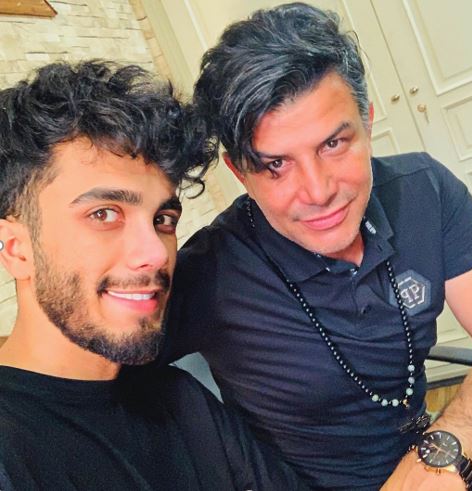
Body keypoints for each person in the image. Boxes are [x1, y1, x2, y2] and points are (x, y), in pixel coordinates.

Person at [161, 3, 472, 490]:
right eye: (276, 165)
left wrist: (443, 453)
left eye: (334, 144)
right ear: (239, 172)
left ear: (367, 122)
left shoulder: (425, 192)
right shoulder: (210, 271)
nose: (318, 192)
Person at [0, 60, 309, 490]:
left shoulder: (182, 401)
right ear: (16, 249)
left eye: (163, 219)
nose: (155, 254)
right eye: (104, 214)